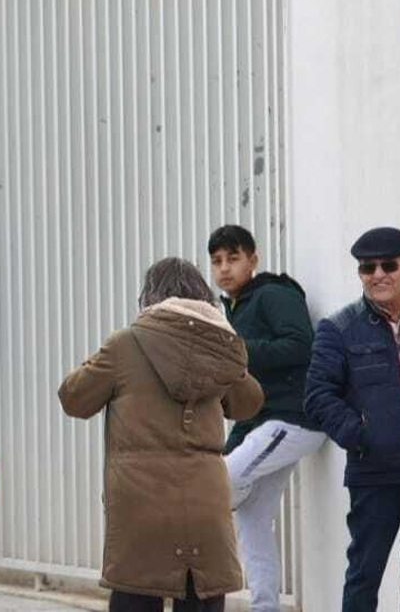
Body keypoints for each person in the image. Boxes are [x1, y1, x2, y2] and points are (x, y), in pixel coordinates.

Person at [58, 258, 264, 612]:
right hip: (205, 503)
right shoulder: (220, 349)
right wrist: (229, 355)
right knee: (202, 597)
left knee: (135, 597)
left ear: (149, 296)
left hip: (142, 505)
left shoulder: (126, 344)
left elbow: (73, 398)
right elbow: (249, 403)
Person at [304, 227, 400, 612]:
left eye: (388, 265)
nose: (377, 275)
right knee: (364, 576)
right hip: (374, 477)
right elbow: (318, 396)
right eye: (366, 267)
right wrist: (361, 436)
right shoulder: (338, 329)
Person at [204, 224, 326, 612]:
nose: (224, 268)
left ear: (252, 260)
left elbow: (300, 344)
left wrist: (236, 349)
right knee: (253, 520)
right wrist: (231, 445)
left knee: (217, 483)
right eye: (217, 261)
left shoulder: (273, 294)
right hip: (263, 423)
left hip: (294, 418)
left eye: (233, 258)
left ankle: (224, 500)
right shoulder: (233, 309)